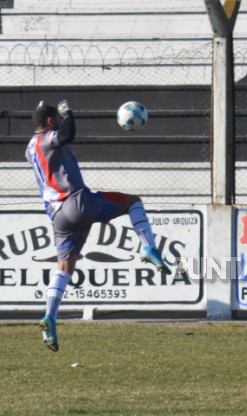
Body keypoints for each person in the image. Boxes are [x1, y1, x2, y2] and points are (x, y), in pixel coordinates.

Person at [26, 100, 171, 352]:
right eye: (57, 120)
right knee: (132, 202)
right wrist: (68, 113)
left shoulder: (29, 147)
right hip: (76, 201)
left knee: (65, 265)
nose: (61, 123)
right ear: (50, 122)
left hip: (57, 214)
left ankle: (50, 315)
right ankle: (149, 247)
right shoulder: (50, 138)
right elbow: (67, 133)